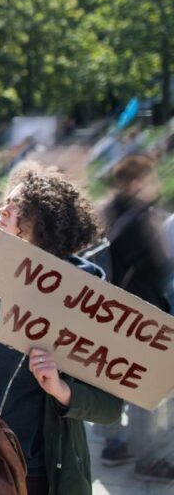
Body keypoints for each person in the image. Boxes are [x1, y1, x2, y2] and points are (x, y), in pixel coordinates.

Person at [0, 162, 123, 494]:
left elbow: (111, 406)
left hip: (32, 471)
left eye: (17, 206)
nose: (3, 210)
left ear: (45, 222)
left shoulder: (86, 301)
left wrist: (62, 390)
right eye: (5, 202)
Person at [99, 155, 173, 482]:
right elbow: (158, 267)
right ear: (137, 183)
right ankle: (149, 460)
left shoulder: (109, 212)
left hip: (114, 311)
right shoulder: (140, 219)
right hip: (142, 312)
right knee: (145, 388)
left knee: (115, 378)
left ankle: (115, 443)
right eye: (151, 179)